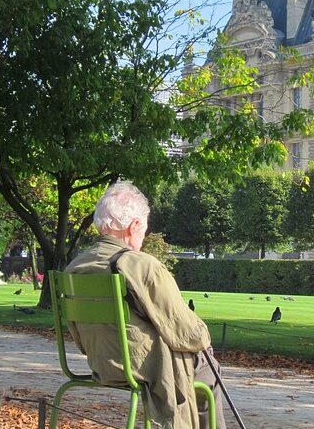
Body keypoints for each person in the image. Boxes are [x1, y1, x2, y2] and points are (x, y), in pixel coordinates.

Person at [65, 181, 226, 428]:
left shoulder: (74, 267)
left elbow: (76, 335)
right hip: (141, 366)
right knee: (207, 367)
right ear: (134, 226)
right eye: (144, 230)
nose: (143, 236)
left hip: (101, 363)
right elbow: (184, 329)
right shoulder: (139, 265)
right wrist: (205, 341)